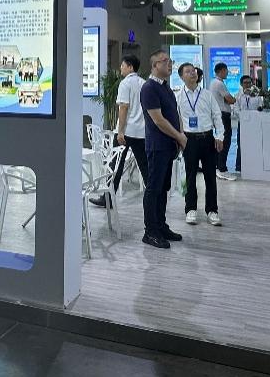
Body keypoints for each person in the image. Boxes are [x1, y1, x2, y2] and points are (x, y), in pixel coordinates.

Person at [139, 50, 188, 249]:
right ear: (154, 65)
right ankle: (150, 231)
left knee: (163, 188)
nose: (170, 64)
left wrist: (180, 134)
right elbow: (158, 120)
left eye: (170, 61)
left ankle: (161, 225)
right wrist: (179, 136)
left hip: (169, 146)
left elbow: (175, 113)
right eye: (165, 61)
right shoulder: (149, 88)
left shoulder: (165, 87)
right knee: (154, 188)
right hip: (157, 146)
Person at [90, 55, 147, 208]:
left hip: (126, 132)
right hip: (141, 132)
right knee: (145, 166)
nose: (120, 68)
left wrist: (120, 132)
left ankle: (107, 198)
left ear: (130, 67)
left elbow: (123, 108)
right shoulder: (144, 83)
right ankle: (154, 196)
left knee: (115, 164)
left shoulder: (125, 83)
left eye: (123, 65)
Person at [175, 63, 223, 226]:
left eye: (194, 70)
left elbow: (217, 116)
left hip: (208, 138)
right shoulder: (178, 96)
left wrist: (220, 136)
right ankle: (190, 209)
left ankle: (212, 211)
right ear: (181, 77)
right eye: (188, 71)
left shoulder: (207, 95)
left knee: (210, 176)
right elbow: (176, 119)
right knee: (189, 176)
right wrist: (180, 138)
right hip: (189, 140)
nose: (192, 73)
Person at [210, 62, 236, 179]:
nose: (227, 73)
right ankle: (222, 169)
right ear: (221, 71)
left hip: (219, 114)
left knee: (221, 140)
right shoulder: (219, 83)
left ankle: (218, 166)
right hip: (223, 115)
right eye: (226, 70)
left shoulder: (213, 82)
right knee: (225, 141)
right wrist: (234, 99)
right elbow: (230, 100)